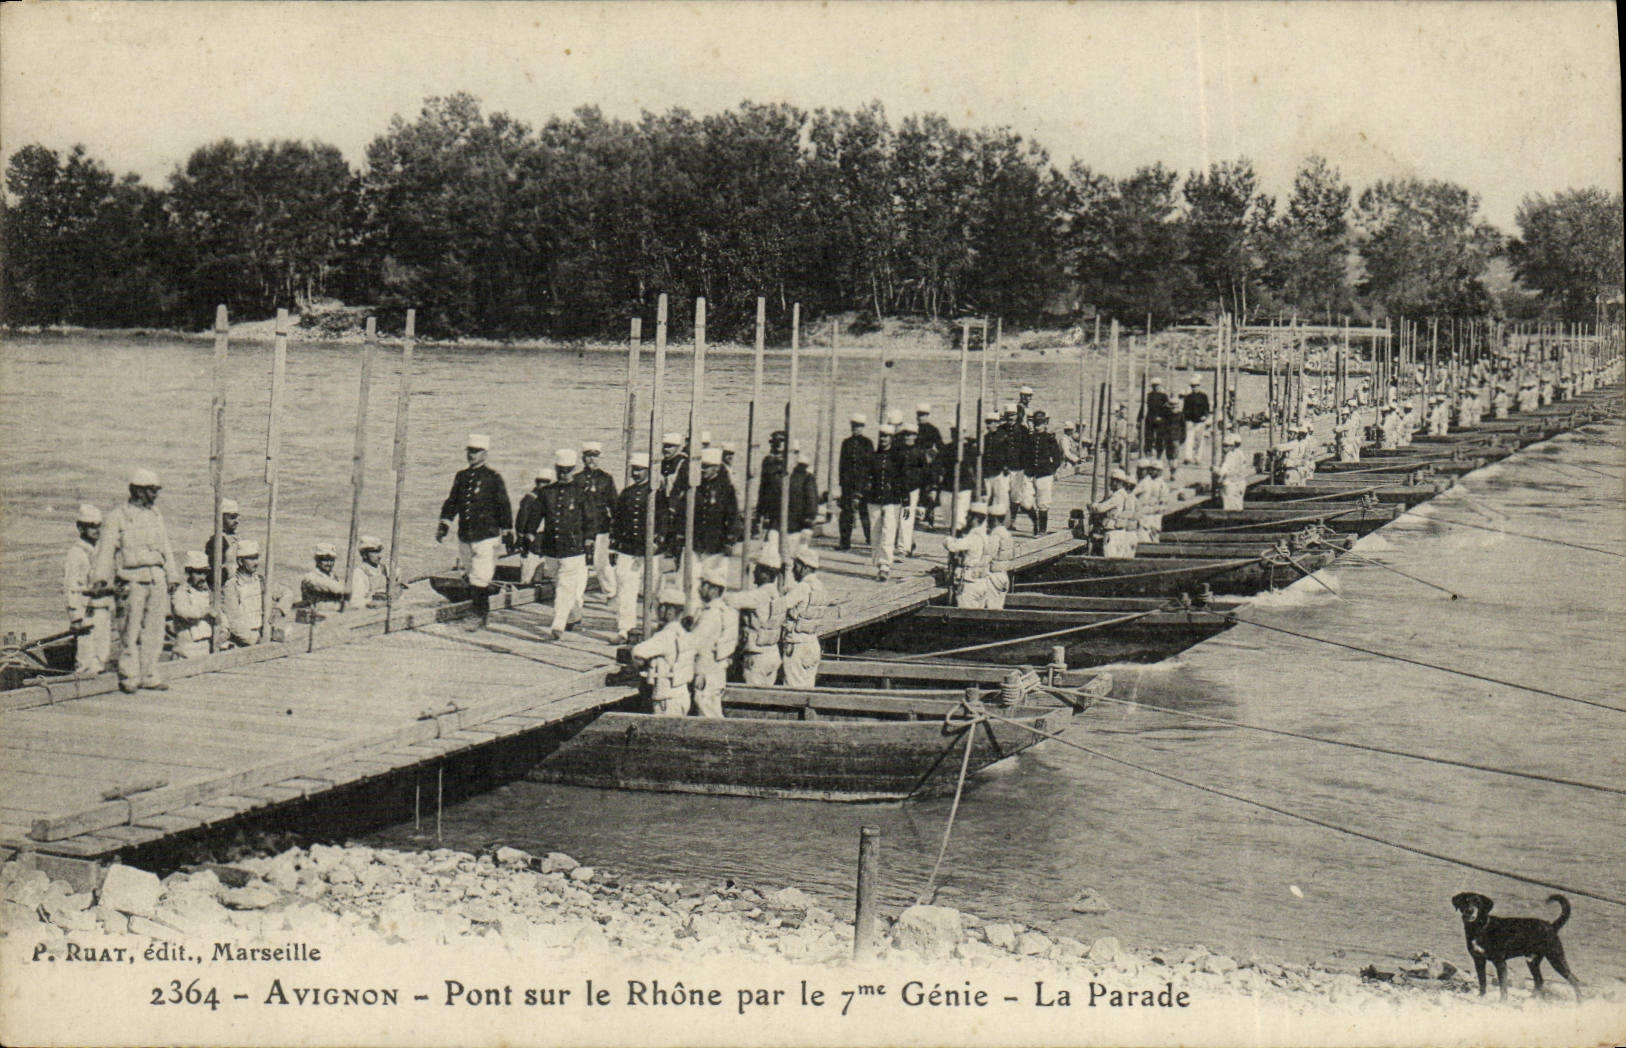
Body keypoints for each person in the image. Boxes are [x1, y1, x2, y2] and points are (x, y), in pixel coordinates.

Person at [93, 468, 178, 693]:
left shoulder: (156, 515)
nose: (155, 496)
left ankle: (149, 675)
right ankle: (129, 676)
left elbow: (165, 547)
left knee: (155, 629)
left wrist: (172, 575)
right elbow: (106, 550)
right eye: (151, 491)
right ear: (138, 491)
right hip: (131, 579)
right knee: (129, 630)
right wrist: (101, 578)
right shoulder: (118, 517)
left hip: (155, 578)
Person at [436, 433, 514, 625]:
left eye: (476, 452)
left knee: (480, 576)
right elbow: (452, 501)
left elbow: (503, 505)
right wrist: (444, 523)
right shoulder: (461, 476)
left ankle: (479, 614)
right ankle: (477, 605)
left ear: (485, 454)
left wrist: (507, 531)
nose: (472, 455)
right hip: (466, 534)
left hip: (486, 535)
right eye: (470, 451)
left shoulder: (493, 478)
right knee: (472, 573)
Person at [539, 448, 591, 639]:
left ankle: (557, 625)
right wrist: (527, 536)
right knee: (556, 580)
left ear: (573, 469)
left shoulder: (581, 492)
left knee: (565, 586)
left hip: (573, 547)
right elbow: (537, 516)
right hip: (552, 546)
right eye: (560, 469)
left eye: (568, 470)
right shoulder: (547, 492)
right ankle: (574, 615)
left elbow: (590, 518)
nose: (564, 473)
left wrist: (589, 541)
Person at [609, 452, 656, 644]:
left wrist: (657, 541)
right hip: (628, 549)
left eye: (640, 470)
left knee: (652, 590)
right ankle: (625, 629)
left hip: (650, 551)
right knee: (626, 589)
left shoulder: (655, 494)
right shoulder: (626, 494)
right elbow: (617, 521)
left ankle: (651, 626)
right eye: (634, 470)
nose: (636, 473)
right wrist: (614, 547)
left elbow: (663, 520)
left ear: (648, 471)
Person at [63, 503, 112, 676]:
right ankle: (82, 686)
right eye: (90, 526)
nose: (95, 530)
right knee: (85, 656)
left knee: (101, 654)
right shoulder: (76, 553)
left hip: (102, 608)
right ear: (80, 527)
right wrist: (75, 615)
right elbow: (71, 587)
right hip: (86, 611)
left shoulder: (100, 551)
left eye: (98, 526)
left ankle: (98, 686)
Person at [631, 585, 695, 717]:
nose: (659, 611)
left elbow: (638, 652)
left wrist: (642, 665)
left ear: (670, 610)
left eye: (661, 607)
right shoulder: (683, 633)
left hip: (667, 698)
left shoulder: (665, 635)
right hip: (681, 693)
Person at [730, 546, 785, 685]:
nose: (754, 572)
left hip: (757, 656)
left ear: (766, 573)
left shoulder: (760, 595)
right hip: (773, 652)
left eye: (758, 569)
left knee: (753, 700)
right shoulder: (776, 593)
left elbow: (732, 600)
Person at [220, 540, 291, 647]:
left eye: (256, 558)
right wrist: (255, 639)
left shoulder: (262, 581)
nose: (256, 562)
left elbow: (287, 593)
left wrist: (280, 610)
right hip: (244, 641)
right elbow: (234, 621)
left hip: (264, 634)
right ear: (240, 561)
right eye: (251, 558)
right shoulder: (232, 586)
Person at [689, 566, 737, 719]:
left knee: (707, 714)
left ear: (713, 589)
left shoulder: (711, 614)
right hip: (716, 670)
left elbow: (698, 645)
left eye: (703, 585)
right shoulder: (725, 610)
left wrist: (699, 673)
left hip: (706, 670)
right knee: (712, 711)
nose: (700, 589)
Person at [690, 446, 742, 576]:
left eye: (706, 466)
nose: (702, 470)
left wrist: (730, 540)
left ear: (717, 468)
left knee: (713, 578)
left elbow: (733, 516)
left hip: (716, 543)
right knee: (691, 578)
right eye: (701, 466)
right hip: (695, 542)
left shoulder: (725, 489)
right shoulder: (694, 487)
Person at [780, 548, 829, 686]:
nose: (793, 570)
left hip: (797, 644)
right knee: (808, 690)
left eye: (796, 565)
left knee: (792, 689)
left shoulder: (801, 588)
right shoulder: (820, 587)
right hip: (812, 642)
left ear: (804, 567)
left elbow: (782, 606)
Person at [578, 442, 619, 600]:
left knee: (601, 563)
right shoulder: (577, 479)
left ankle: (610, 592)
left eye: (595, 456)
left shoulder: (606, 479)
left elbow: (614, 503)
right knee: (580, 562)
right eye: (589, 456)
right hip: (581, 526)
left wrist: (616, 526)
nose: (592, 459)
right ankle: (577, 595)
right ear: (583, 458)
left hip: (601, 525)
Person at [866, 425, 903, 580]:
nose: (883, 439)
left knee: (888, 531)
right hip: (874, 498)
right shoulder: (873, 456)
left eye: (886, 436)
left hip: (891, 499)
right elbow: (866, 476)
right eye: (881, 436)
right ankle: (877, 562)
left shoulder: (897, 457)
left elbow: (902, 478)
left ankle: (885, 565)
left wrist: (901, 495)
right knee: (875, 531)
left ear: (891, 438)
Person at [1021, 411, 1065, 535]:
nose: (1037, 426)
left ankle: (1042, 529)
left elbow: (1057, 458)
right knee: (1025, 501)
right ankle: (1035, 521)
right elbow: (1024, 454)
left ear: (1045, 423)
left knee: (1043, 502)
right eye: (1035, 423)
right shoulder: (1029, 438)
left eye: (1040, 423)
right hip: (1029, 473)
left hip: (1044, 474)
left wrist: (1051, 469)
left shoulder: (1050, 439)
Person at [944, 501, 994, 608]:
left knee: (965, 615)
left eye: (969, 516)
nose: (967, 518)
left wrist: (948, 538)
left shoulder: (973, 536)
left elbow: (952, 546)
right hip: (982, 580)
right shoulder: (985, 536)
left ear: (974, 518)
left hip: (970, 582)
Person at [837, 414, 874, 550]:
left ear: (863, 427)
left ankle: (870, 539)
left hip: (863, 483)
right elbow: (842, 465)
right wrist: (841, 483)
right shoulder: (846, 443)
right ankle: (844, 542)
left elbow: (870, 464)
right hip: (848, 484)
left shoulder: (867, 443)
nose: (855, 429)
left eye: (858, 426)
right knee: (846, 514)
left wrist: (869, 482)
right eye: (854, 426)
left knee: (865, 513)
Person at [169, 551, 216, 659]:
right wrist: (205, 611)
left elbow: (219, 613)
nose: (203, 577)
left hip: (206, 646)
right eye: (198, 573)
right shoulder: (180, 592)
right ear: (188, 572)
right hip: (187, 648)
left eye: (205, 572)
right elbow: (183, 611)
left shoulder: (208, 592)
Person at [894, 422, 930, 558]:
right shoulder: (897, 451)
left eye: (911, 434)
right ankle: (907, 543)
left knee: (906, 518)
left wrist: (925, 494)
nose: (908, 437)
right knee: (897, 518)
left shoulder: (919, 452)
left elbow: (925, 473)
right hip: (898, 488)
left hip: (913, 489)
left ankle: (903, 548)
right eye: (906, 434)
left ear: (915, 436)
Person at [513, 467, 553, 584]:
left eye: (546, 482)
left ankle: (537, 585)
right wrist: (521, 538)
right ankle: (526, 588)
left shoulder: (548, 498)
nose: (543, 485)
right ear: (536, 482)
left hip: (543, 538)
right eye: (541, 482)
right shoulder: (530, 499)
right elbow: (521, 521)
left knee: (540, 564)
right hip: (530, 539)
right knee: (528, 567)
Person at [1089, 469, 1140, 558]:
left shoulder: (1117, 496)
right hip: (1121, 532)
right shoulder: (1125, 495)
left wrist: (1092, 506)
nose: (1111, 483)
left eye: (1114, 481)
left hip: (1112, 533)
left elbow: (1101, 508)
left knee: (1110, 558)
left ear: (1119, 482)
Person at [752, 430, 788, 543]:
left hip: (788, 503)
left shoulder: (790, 461)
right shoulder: (768, 461)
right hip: (773, 502)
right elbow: (763, 486)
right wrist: (760, 510)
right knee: (772, 535)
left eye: (781, 441)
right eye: (775, 441)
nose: (778, 444)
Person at [784, 449, 819, 563]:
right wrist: (810, 518)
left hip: (788, 521)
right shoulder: (808, 477)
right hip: (802, 522)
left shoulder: (788, 477)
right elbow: (812, 498)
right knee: (800, 551)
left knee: (788, 553)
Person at [300, 543, 354, 613]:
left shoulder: (333, 577)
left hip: (336, 615)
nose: (329, 563)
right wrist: (347, 589)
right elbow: (335, 588)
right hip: (317, 616)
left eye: (331, 560)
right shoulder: (310, 577)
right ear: (317, 560)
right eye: (325, 560)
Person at [914, 403, 943, 528]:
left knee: (929, 490)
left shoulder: (933, 430)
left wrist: (934, 458)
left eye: (923, 415)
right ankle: (918, 516)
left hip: (928, 463)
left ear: (927, 416)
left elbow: (940, 446)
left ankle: (929, 515)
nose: (921, 417)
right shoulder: (914, 429)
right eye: (919, 415)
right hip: (916, 463)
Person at [984, 502, 1016, 610]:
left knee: (991, 610)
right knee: (999, 608)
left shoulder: (995, 534)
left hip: (994, 577)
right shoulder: (1007, 534)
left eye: (989, 518)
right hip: (1004, 576)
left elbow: (988, 554)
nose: (987, 521)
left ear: (995, 519)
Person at [354, 535, 397, 609]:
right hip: (369, 612)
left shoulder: (385, 569)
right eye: (374, 552)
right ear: (364, 554)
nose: (379, 556)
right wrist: (370, 603)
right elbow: (356, 601)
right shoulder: (359, 573)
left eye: (379, 551)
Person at [1132, 458, 1170, 542]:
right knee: (1142, 537)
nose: (1151, 471)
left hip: (1154, 517)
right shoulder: (1146, 482)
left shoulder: (1163, 486)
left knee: (1153, 539)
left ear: (1160, 471)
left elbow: (1163, 505)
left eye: (1154, 470)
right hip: (1144, 517)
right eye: (1151, 469)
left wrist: (1152, 509)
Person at [205, 496, 242, 579]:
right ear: (221, 518)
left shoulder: (237, 538)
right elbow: (213, 571)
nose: (237, 521)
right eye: (232, 517)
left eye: (237, 517)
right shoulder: (217, 541)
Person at [1144, 377, 1175, 466]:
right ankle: (1148, 454)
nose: (1155, 387)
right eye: (1154, 386)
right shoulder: (1149, 395)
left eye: (1157, 385)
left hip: (1160, 419)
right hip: (1150, 418)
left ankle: (1159, 455)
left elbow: (1166, 408)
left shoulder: (1163, 396)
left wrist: (1161, 417)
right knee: (1148, 436)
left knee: (1159, 438)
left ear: (1160, 386)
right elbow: (1146, 407)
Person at [1215, 432, 1250, 512]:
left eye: (1226, 446)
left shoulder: (1229, 456)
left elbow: (1223, 471)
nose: (1224, 448)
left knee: (1229, 507)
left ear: (1232, 446)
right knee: (1238, 505)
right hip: (1240, 482)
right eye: (1224, 446)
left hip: (1230, 484)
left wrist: (1214, 469)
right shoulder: (1241, 454)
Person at [1182, 376, 1210, 464]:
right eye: (1192, 386)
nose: (1194, 388)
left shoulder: (1203, 396)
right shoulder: (1188, 397)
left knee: (1200, 440)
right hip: (1190, 421)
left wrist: (1205, 416)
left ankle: (1198, 458)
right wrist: (1185, 417)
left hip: (1200, 421)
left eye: (1196, 386)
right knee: (1189, 439)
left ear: (1199, 386)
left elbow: (1207, 408)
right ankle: (1188, 457)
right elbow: (1184, 409)